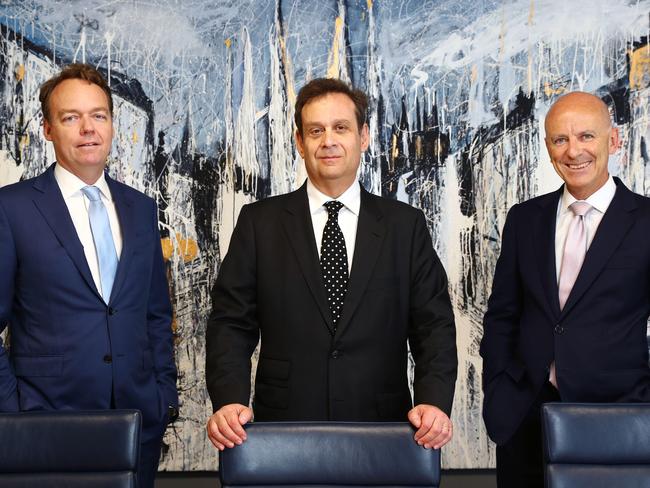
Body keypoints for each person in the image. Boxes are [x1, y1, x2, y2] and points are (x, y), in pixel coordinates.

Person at [206, 78, 457, 452]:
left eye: (341, 128)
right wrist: (229, 398)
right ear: (299, 142)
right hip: (284, 427)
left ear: (364, 136)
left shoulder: (405, 226)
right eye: (315, 131)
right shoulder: (259, 223)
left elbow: (433, 326)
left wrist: (434, 401)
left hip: (384, 427)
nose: (329, 141)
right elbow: (230, 322)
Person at [0, 63, 178, 488]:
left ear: (112, 125)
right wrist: (13, 409)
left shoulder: (141, 209)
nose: (88, 129)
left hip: (139, 422)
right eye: (70, 117)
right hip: (46, 424)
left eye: (98, 116)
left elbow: (155, 314)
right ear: (47, 128)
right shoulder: (12, 208)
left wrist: (163, 396)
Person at [481, 91, 650, 487]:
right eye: (560, 140)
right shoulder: (524, 219)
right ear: (548, 147)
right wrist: (498, 386)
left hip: (619, 415)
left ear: (614, 140)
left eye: (586, 136)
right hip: (525, 413)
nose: (574, 151)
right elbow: (503, 314)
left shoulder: (645, 221)